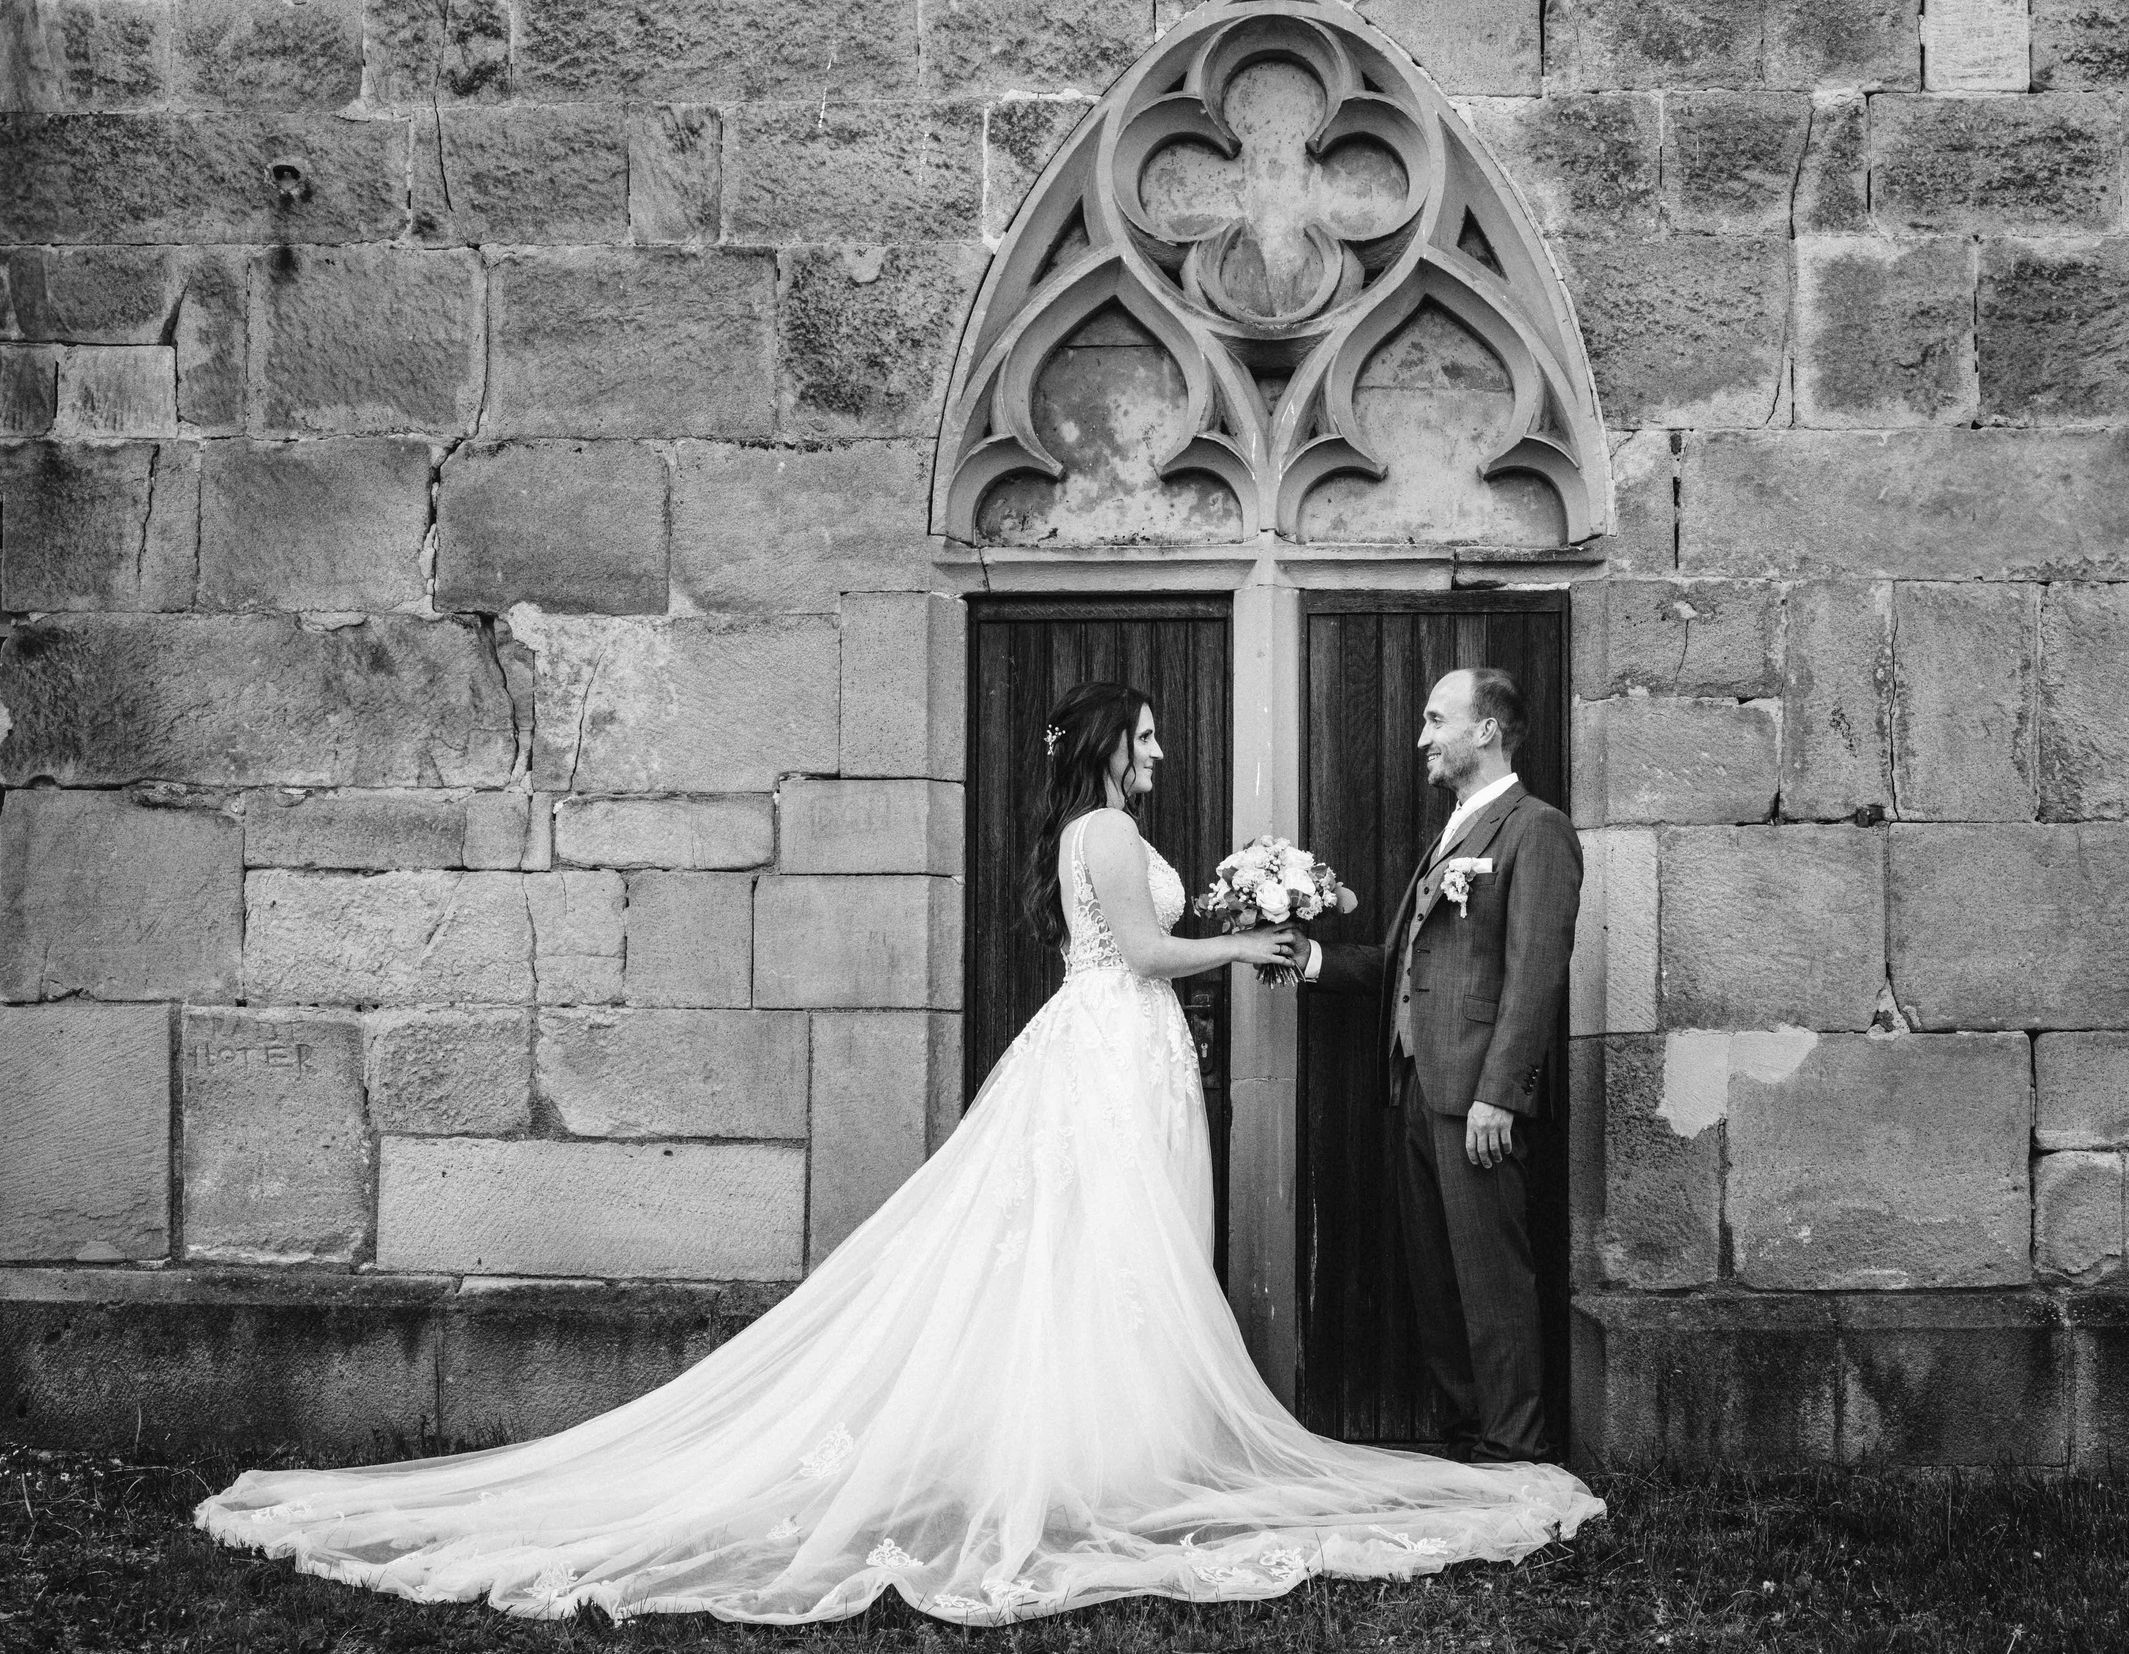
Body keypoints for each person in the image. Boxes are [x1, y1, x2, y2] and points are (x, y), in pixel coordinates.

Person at [196, 679, 1601, 1626]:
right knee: (1095, 1245)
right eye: (1156, 736)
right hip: (1114, 1049)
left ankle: (1140, 1441)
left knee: (1111, 1248)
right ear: (1118, 746)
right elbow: (1153, 947)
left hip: (1130, 1050)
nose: (1166, 753)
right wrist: (1246, 937)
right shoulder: (1110, 829)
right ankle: (1093, 1457)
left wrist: (1272, 928)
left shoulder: (1492, 832)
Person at [1293, 667, 1579, 1467]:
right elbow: (1401, 962)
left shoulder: (1536, 829)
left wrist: (1500, 1094)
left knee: (1492, 1277)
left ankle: (1515, 1449)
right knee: (1439, 1278)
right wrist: (1308, 957)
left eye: (1434, 720)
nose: (1421, 737)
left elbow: (1535, 973)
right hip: (1418, 1086)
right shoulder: (1452, 831)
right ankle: (1466, 1440)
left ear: (1485, 729)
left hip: (1478, 1099)